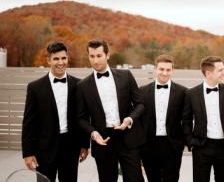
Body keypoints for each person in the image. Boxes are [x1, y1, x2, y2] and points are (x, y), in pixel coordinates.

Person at [76, 39, 145, 182]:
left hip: (128, 136)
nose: (95, 60)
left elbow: (140, 104)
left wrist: (129, 119)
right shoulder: (82, 86)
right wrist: (93, 134)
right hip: (103, 140)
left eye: (99, 55)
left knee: (135, 179)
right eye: (92, 56)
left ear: (107, 55)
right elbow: (81, 118)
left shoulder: (126, 76)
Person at [22, 41, 89, 182]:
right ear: (48, 60)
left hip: (70, 148)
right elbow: (28, 123)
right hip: (44, 149)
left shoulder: (79, 85)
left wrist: (84, 144)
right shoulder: (35, 87)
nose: (60, 62)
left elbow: (82, 116)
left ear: (67, 58)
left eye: (63, 58)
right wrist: (28, 153)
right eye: (56, 59)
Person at [182, 55, 224, 182]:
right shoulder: (191, 94)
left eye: (223, 69)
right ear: (208, 73)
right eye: (220, 70)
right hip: (201, 147)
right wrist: (190, 141)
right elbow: (186, 120)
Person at [140, 54, 187, 182]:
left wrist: (181, 143)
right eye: (161, 69)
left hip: (172, 145)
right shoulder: (142, 91)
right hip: (149, 145)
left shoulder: (183, 92)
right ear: (156, 69)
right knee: (152, 179)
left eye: (168, 70)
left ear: (173, 70)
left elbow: (186, 119)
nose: (164, 73)